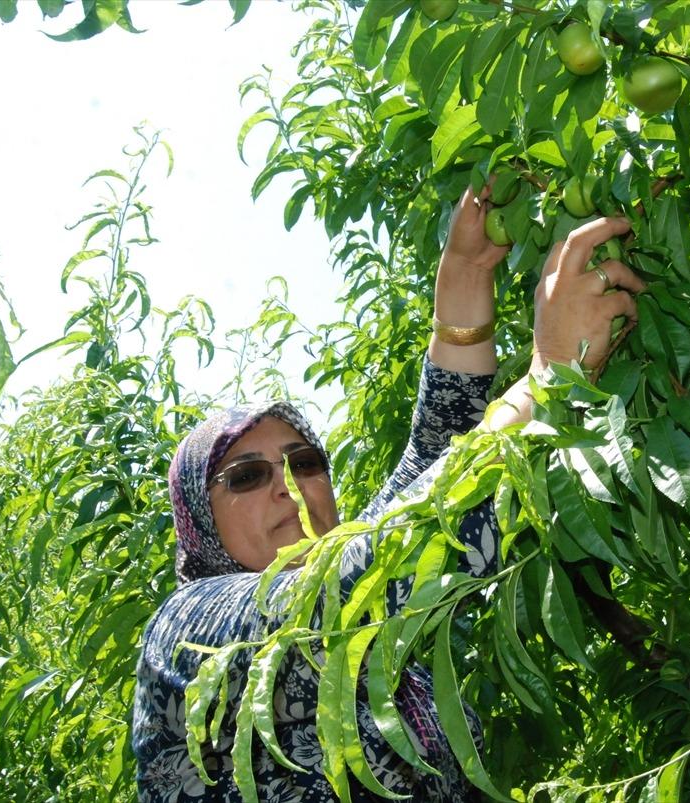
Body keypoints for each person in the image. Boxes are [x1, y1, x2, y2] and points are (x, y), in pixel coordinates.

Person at [131, 185, 645, 802]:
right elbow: (357, 581)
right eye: (247, 475)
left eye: (305, 461)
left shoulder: (370, 590)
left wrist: (465, 272)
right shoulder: (186, 633)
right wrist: (549, 373)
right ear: (198, 520)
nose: (288, 485)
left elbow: (438, 455)